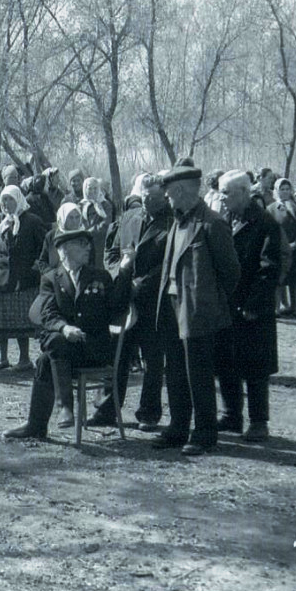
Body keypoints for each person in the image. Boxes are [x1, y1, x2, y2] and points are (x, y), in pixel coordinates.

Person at [3, 229, 132, 439]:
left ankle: (52, 415)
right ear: (63, 250)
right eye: (81, 243)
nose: (88, 248)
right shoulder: (51, 279)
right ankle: (55, 414)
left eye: (88, 243)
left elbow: (117, 307)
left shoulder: (100, 276)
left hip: (93, 351)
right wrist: (65, 328)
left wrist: (125, 270)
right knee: (51, 348)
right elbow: (48, 314)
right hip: (65, 350)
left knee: (49, 352)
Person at [153, 160, 240, 455]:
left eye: (168, 192)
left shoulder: (212, 223)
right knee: (176, 372)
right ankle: (178, 428)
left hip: (198, 313)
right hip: (172, 309)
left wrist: (208, 305)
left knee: (199, 375)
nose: (166, 197)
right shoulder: (177, 222)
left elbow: (231, 273)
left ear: (180, 190)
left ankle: (204, 433)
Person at [89, 172, 172, 430]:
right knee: (117, 355)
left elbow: (167, 265)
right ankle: (106, 410)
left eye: (153, 198)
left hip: (154, 303)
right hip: (123, 299)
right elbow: (111, 253)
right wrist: (121, 273)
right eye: (144, 197)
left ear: (164, 197)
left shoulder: (172, 223)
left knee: (152, 360)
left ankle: (149, 413)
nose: (146, 202)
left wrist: (140, 284)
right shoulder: (128, 217)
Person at [214, 170, 282, 442]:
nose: (222, 197)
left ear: (244, 192)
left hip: (254, 308)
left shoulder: (264, 222)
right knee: (227, 362)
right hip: (227, 305)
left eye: (226, 193)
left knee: (256, 367)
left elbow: (270, 268)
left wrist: (253, 304)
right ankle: (231, 415)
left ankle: (258, 422)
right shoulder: (226, 219)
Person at [0, 185, 46, 370]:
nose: (6, 203)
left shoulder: (32, 221)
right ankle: (2, 356)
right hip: (0, 276)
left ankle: (24, 358)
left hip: (23, 278)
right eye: (3, 199)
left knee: (21, 319)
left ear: (18, 199)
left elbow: (44, 246)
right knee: (0, 317)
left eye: (10, 199)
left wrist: (37, 264)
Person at [267, 178, 296, 320]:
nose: (285, 192)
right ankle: (276, 309)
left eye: (287, 189)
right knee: (279, 281)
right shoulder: (271, 209)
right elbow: (268, 229)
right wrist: (279, 245)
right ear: (276, 190)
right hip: (279, 251)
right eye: (282, 189)